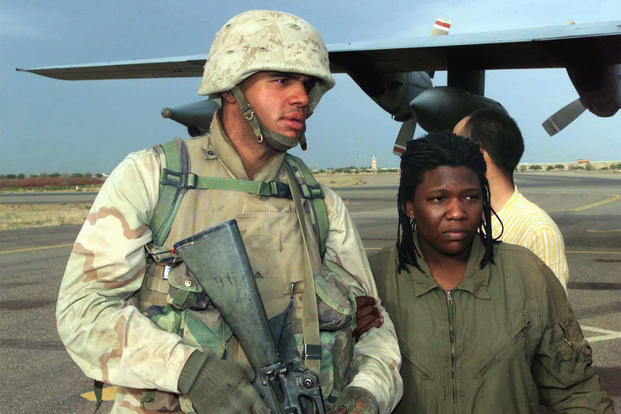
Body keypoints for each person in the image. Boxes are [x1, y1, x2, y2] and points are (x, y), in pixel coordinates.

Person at [56, 10, 402, 414]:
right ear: (230, 87)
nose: (302, 98)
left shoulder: (319, 204)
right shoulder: (153, 178)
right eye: (281, 80)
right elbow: (83, 313)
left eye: (308, 85)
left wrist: (366, 395)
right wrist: (190, 372)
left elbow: (376, 331)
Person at [372, 132, 614, 413]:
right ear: (410, 206)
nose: (457, 212)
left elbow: (576, 391)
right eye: (438, 199)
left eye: (471, 197)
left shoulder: (526, 275)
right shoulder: (374, 280)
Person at [453, 109, 569, 289]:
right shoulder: (457, 223)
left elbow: (551, 313)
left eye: (454, 147)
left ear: (479, 156)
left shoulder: (537, 232)